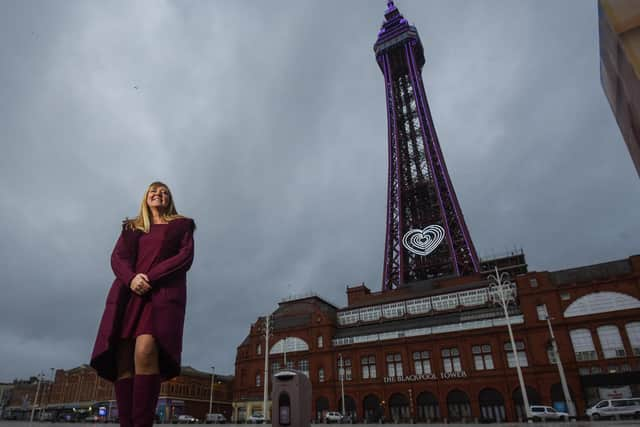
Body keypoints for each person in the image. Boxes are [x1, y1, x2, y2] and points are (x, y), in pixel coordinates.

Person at [90, 181, 195, 427]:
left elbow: (185, 257)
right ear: (146, 197)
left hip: (159, 297)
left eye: (165, 192)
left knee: (145, 351)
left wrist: (150, 277)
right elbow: (118, 258)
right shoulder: (131, 227)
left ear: (170, 199)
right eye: (154, 191)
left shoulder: (181, 225)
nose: (159, 194)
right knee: (124, 360)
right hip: (129, 295)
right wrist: (132, 278)